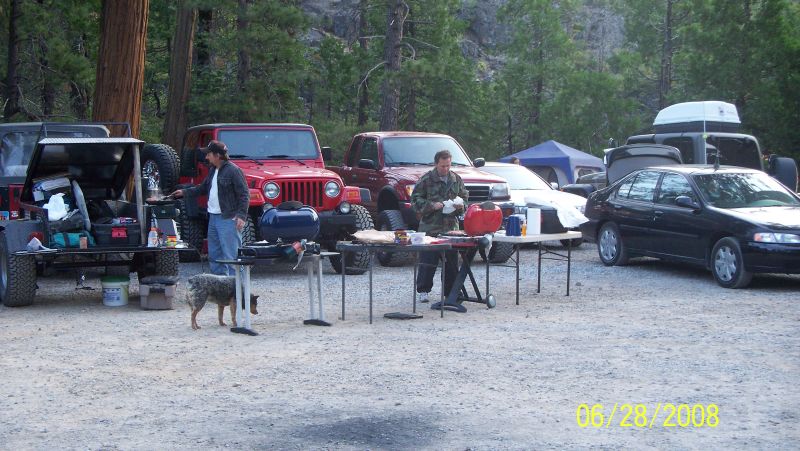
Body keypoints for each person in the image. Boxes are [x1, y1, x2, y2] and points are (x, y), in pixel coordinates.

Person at [170, 140, 249, 276]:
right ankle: (219, 291)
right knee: (215, 256)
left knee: (232, 257)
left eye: (209, 154)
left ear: (217, 155)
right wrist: (185, 192)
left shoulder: (234, 171)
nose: (206, 157)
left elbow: (244, 194)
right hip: (212, 217)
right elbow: (203, 187)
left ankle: (237, 292)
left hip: (228, 218)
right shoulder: (213, 170)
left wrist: (241, 216)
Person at [411, 150, 468, 303]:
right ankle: (423, 290)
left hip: (450, 228)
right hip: (431, 228)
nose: (445, 169)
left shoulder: (456, 179)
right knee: (428, 261)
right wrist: (431, 206)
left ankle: (451, 293)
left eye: (448, 165)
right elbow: (415, 201)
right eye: (443, 166)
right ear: (436, 164)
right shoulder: (427, 179)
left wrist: (460, 206)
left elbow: (465, 199)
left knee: (451, 263)